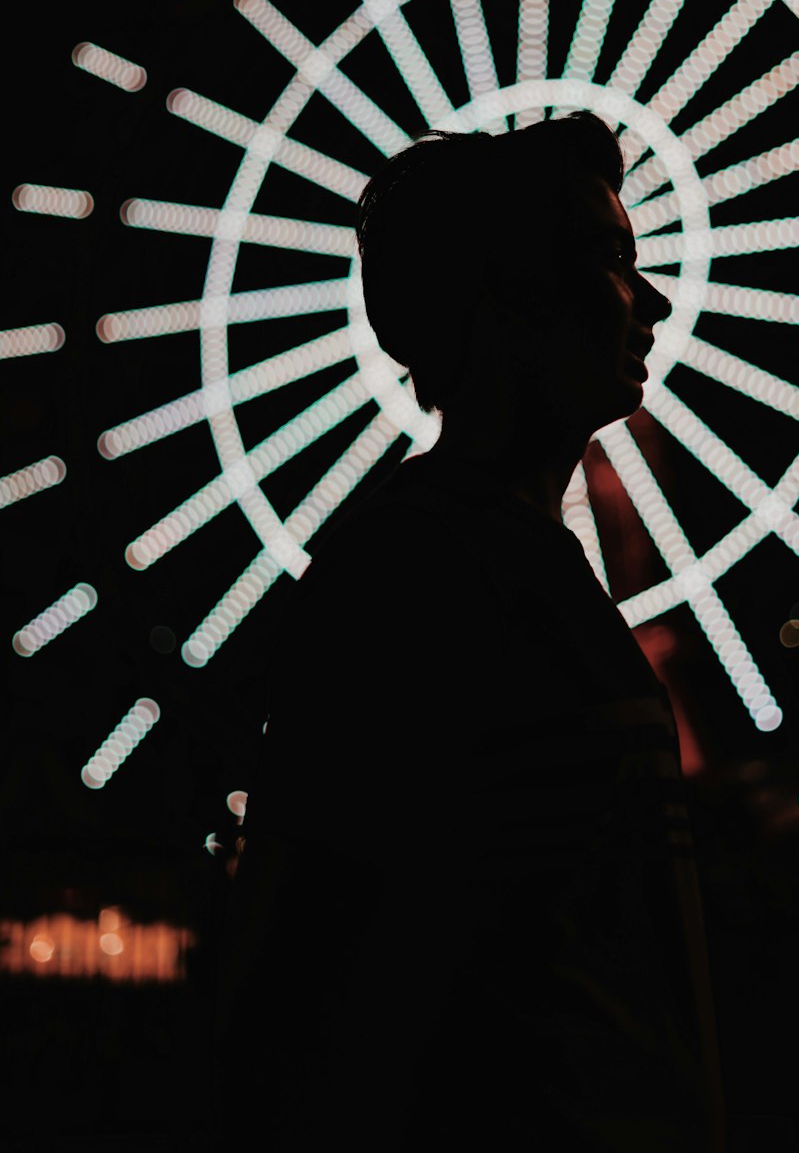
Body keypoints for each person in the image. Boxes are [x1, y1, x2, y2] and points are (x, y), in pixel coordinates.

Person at [214, 111, 726, 1151]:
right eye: (610, 263)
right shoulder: (415, 575)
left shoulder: (479, 558)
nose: (654, 302)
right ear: (506, 307)